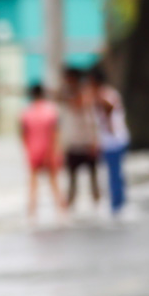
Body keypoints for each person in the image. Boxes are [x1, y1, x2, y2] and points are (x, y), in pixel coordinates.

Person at [19, 83, 64, 219]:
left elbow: (23, 134)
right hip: (49, 151)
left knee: (33, 184)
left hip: (33, 152)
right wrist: (56, 151)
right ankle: (61, 212)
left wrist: (27, 150)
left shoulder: (26, 112)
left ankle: (32, 213)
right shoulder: (51, 111)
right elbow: (55, 134)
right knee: (54, 183)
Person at [90, 66, 130, 215]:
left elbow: (110, 108)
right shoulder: (107, 93)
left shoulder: (106, 94)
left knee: (114, 175)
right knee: (115, 174)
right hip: (110, 140)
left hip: (114, 140)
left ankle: (117, 206)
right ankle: (118, 204)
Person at [60, 68, 101, 210]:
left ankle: (98, 208)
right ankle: (70, 210)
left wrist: (94, 141)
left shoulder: (86, 94)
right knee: (72, 180)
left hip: (87, 142)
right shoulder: (67, 94)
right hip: (73, 143)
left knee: (93, 180)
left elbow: (92, 119)